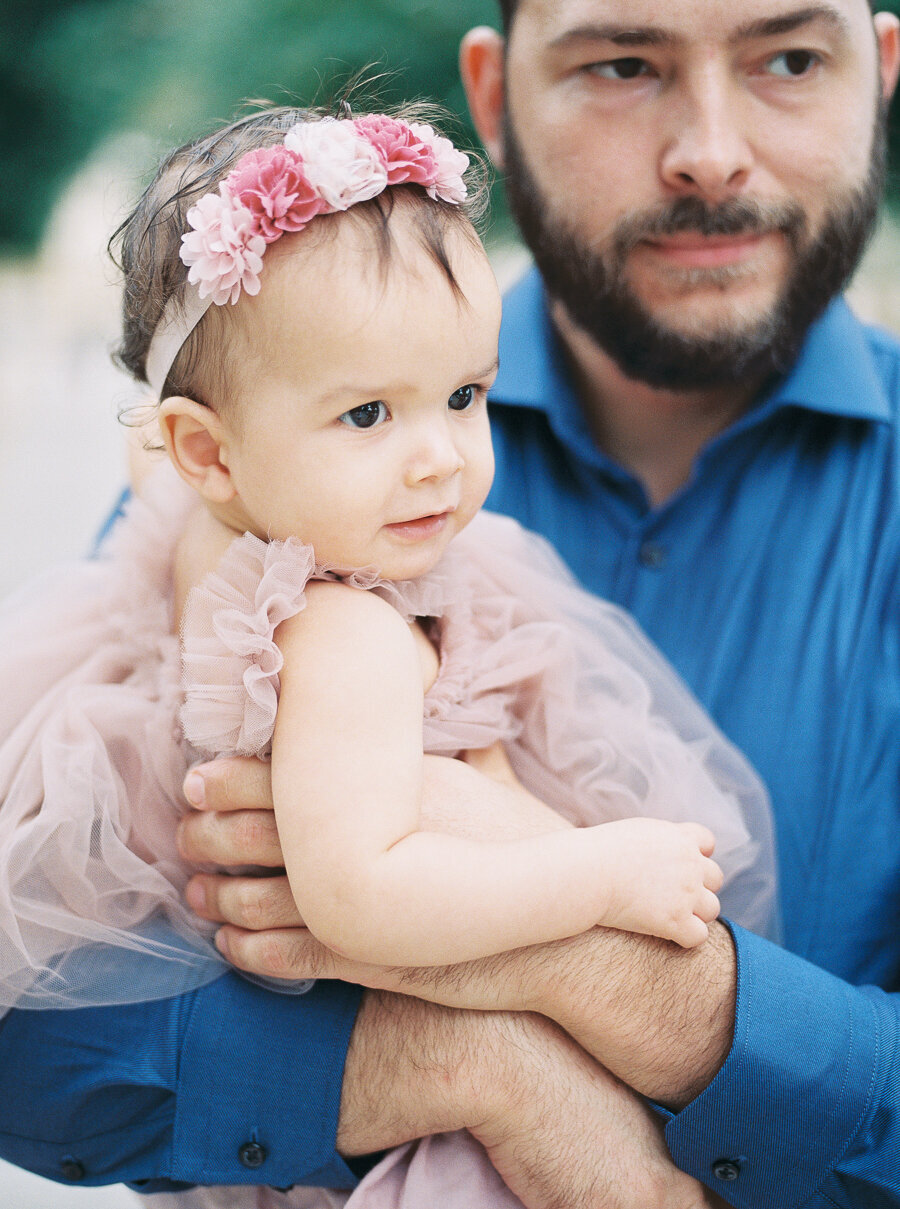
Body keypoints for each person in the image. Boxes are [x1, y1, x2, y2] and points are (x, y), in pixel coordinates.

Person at [2, 0, 898, 1206]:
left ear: (883, 71)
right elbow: (39, 1022)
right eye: (624, 62)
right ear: (494, 93)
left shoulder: (356, 469)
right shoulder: (261, 467)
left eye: (790, 58)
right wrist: (471, 1061)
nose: (709, 149)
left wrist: (634, 985)